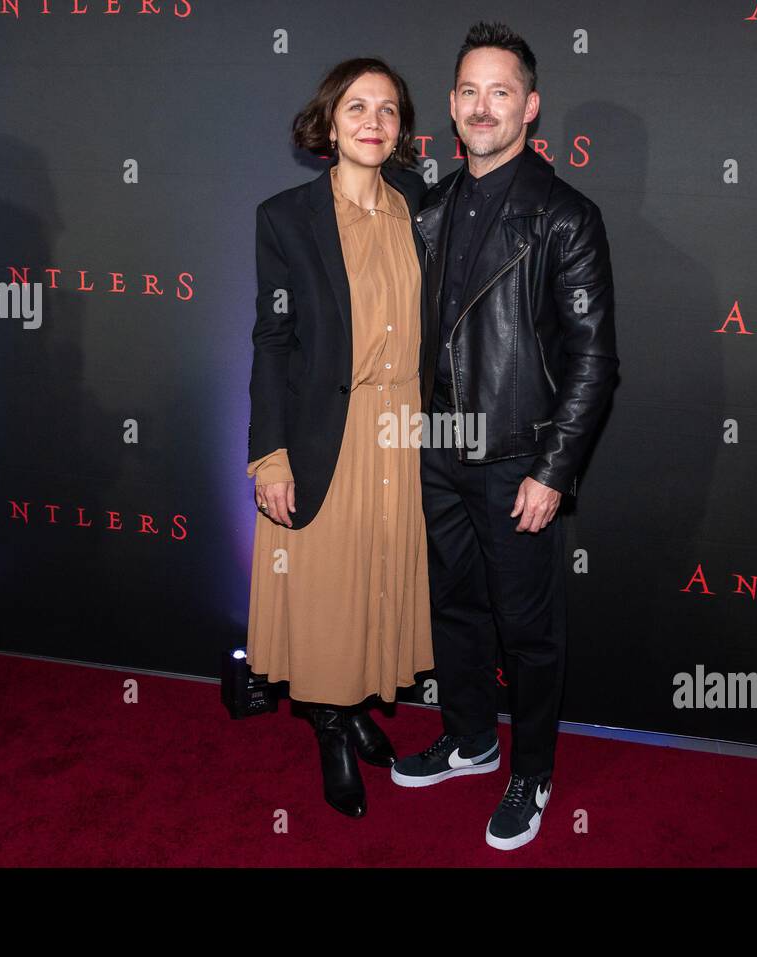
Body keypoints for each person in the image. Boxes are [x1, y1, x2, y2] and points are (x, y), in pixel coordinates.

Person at [390, 22, 619, 851]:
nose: (483, 106)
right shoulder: (432, 206)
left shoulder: (564, 216)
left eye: (500, 91)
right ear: (451, 106)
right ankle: (470, 737)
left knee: (527, 630)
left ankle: (532, 770)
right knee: (453, 608)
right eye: (469, 91)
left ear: (530, 105)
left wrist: (554, 469)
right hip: (439, 450)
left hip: (520, 456)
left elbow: (597, 359)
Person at [245, 58, 432, 819]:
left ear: (402, 130)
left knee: (380, 576)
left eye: (388, 110)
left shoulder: (419, 203)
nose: (373, 121)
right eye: (357, 106)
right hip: (328, 429)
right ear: (327, 122)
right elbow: (272, 342)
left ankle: (358, 705)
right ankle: (329, 723)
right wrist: (270, 451)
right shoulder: (285, 217)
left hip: (408, 427)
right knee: (327, 590)